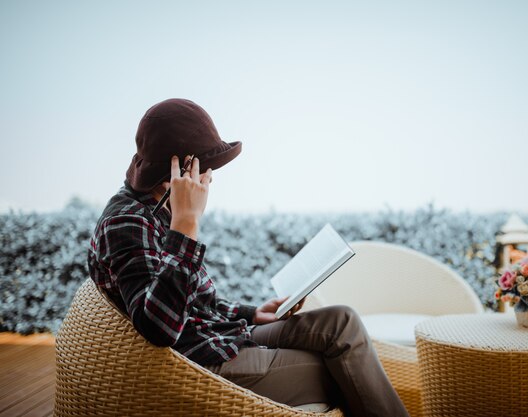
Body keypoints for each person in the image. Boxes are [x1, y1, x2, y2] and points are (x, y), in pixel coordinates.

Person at [88, 98, 410, 417]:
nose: (210, 179)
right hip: (205, 362)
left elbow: (196, 301)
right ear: (183, 170)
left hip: (219, 335)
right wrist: (186, 225)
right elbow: (158, 328)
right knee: (346, 369)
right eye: (206, 169)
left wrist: (253, 313)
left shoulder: (158, 208)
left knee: (342, 322)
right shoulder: (128, 221)